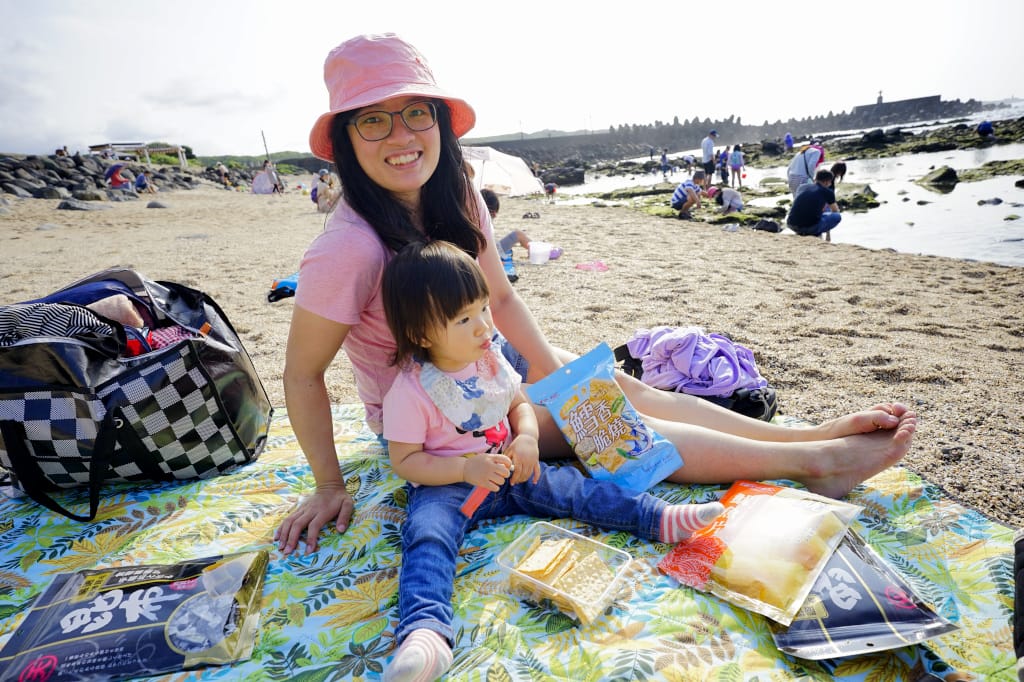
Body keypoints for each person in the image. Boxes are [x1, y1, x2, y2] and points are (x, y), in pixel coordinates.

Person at [274, 32, 916, 559]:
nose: (400, 134)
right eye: (374, 120)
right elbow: (302, 374)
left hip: (491, 360)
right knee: (613, 420)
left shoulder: (460, 196)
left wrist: (563, 380)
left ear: (440, 121)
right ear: (348, 141)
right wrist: (328, 484)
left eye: (416, 112)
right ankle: (816, 463)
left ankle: (806, 435)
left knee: (617, 390)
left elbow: (498, 300)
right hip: (439, 410)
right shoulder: (348, 247)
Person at [378, 239, 724, 681]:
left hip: (511, 468)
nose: (484, 326)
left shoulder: (490, 361)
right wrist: (464, 469)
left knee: (576, 488)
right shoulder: (411, 390)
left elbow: (519, 404)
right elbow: (406, 461)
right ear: (422, 335)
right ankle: (425, 634)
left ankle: (659, 519)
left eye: (483, 308)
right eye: (464, 319)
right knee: (426, 538)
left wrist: (525, 438)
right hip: (447, 488)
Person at [481, 188, 562, 261]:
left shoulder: (474, 217)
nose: (495, 216)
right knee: (518, 234)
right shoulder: (484, 220)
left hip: (481, 254)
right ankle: (540, 252)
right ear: (493, 211)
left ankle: (534, 251)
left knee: (516, 236)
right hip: (489, 255)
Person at [786, 168, 841, 241]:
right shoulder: (827, 192)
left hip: (791, 224)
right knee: (837, 216)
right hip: (809, 228)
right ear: (827, 182)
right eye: (830, 182)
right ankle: (815, 233)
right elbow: (835, 210)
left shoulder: (803, 187)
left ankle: (804, 232)